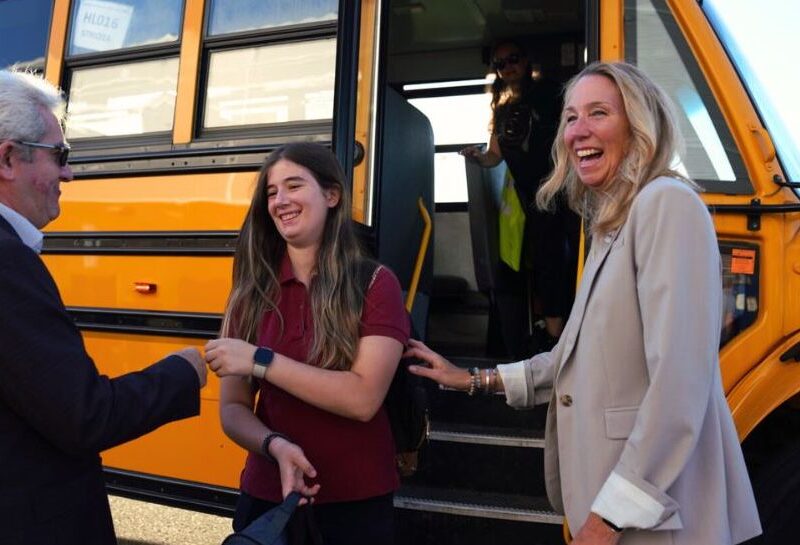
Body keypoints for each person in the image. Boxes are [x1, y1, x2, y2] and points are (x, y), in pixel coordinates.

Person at [407, 61, 762, 545]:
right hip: (620, 501)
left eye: (599, 113)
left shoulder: (666, 204)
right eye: (571, 117)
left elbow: (680, 383)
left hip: (654, 514)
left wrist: (610, 517)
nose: (579, 130)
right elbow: (571, 358)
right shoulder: (611, 222)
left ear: (640, 126)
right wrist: (471, 379)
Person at [0, 70, 207, 545]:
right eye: (61, 156)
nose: (69, 173)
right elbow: (84, 415)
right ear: (9, 158)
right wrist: (181, 371)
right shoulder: (6, 261)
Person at [204, 143, 410, 545]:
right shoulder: (250, 292)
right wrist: (275, 446)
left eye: (294, 186)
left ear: (332, 195)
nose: (281, 201)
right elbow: (232, 408)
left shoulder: (375, 283)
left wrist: (260, 360)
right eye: (272, 192)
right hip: (269, 499)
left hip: (356, 503)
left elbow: (363, 398)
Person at [462, 40, 580, 355]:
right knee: (545, 266)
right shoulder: (501, 112)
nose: (508, 66)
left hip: (566, 192)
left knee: (572, 258)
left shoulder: (551, 92)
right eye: (501, 63)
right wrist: (477, 158)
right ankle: (555, 340)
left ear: (526, 60)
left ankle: (575, 331)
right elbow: (494, 157)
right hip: (533, 201)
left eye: (513, 58)